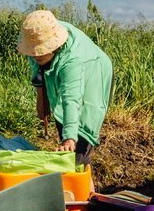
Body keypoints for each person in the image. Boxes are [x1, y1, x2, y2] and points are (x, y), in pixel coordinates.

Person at [16, 9, 113, 165]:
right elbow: (38, 72)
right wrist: (41, 100)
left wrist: (69, 139)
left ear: (54, 46)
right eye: (33, 52)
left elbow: (71, 99)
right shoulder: (34, 35)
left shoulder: (73, 60)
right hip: (65, 66)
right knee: (64, 136)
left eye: (41, 51)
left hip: (94, 72)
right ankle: (70, 163)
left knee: (78, 153)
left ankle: (82, 177)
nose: (35, 55)